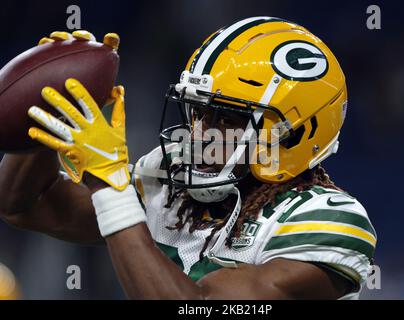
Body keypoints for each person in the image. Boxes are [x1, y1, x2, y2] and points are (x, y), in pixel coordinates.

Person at [0, 17, 376, 299]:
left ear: (293, 133)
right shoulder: (172, 185)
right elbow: (24, 205)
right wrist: (53, 102)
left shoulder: (326, 220)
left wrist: (110, 187)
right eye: (198, 112)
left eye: (226, 118)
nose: (199, 134)